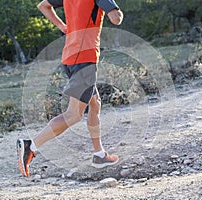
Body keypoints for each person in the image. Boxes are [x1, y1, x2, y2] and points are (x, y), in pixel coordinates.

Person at [17, 0, 123, 177]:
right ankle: (30, 146)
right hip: (85, 59)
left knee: (95, 103)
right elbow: (116, 19)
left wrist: (64, 27)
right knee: (74, 115)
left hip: (70, 57)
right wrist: (114, 7)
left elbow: (43, 5)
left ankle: (99, 155)